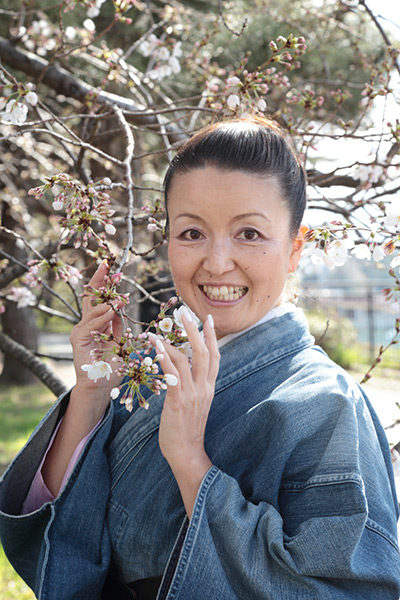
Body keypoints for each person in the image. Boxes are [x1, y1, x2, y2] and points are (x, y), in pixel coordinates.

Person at [0, 116, 399, 600]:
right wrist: (93, 391)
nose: (217, 262)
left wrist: (191, 460)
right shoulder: (152, 371)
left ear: (295, 249)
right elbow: (59, 532)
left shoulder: (328, 404)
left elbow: (348, 589)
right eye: (191, 233)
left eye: (249, 233)